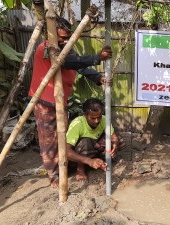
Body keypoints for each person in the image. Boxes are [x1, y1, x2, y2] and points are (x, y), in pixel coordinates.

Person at [29, 17, 113, 188]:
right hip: (45, 102)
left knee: (61, 137)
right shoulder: (46, 48)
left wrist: (98, 77)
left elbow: (78, 66)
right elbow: (67, 63)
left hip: (60, 101)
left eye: (68, 37)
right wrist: (97, 57)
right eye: (62, 38)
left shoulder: (66, 49)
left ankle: (63, 167)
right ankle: (54, 176)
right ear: (50, 35)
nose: (66, 41)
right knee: (48, 141)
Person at [66, 98, 120, 181]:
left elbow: (114, 137)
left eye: (99, 117)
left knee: (120, 140)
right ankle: (80, 168)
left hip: (94, 146)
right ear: (85, 115)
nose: (97, 121)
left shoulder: (104, 119)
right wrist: (89, 161)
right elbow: (66, 151)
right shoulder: (77, 124)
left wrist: (115, 145)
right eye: (93, 118)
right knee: (85, 142)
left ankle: (100, 161)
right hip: (82, 151)